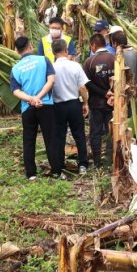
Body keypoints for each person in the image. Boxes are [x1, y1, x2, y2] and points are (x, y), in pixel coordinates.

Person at [10, 36, 61, 180]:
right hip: (46, 105)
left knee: (29, 139)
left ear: (17, 50)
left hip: (28, 108)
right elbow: (51, 81)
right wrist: (39, 97)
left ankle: (31, 173)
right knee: (50, 138)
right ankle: (56, 171)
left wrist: (31, 99)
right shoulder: (43, 60)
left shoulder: (15, 68)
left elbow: (16, 91)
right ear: (30, 46)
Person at [50, 39, 90, 174]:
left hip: (58, 105)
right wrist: (85, 103)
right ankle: (83, 164)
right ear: (66, 50)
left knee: (59, 136)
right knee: (79, 134)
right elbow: (82, 87)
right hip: (74, 103)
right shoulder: (75, 66)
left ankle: (61, 166)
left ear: (53, 52)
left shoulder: (51, 68)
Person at [83, 34, 115, 169]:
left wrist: (103, 93)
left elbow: (86, 82)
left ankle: (97, 162)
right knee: (111, 132)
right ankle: (110, 160)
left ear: (93, 46)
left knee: (95, 132)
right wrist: (111, 94)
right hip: (113, 103)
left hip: (96, 103)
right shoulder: (116, 59)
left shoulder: (89, 61)